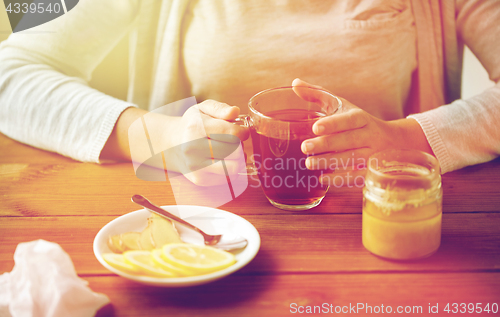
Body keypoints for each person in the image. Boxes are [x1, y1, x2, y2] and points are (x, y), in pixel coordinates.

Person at [0, 0, 499, 187]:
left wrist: (406, 139)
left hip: (383, 223)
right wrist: (158, 137)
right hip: (211, 229)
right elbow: (11, 73)